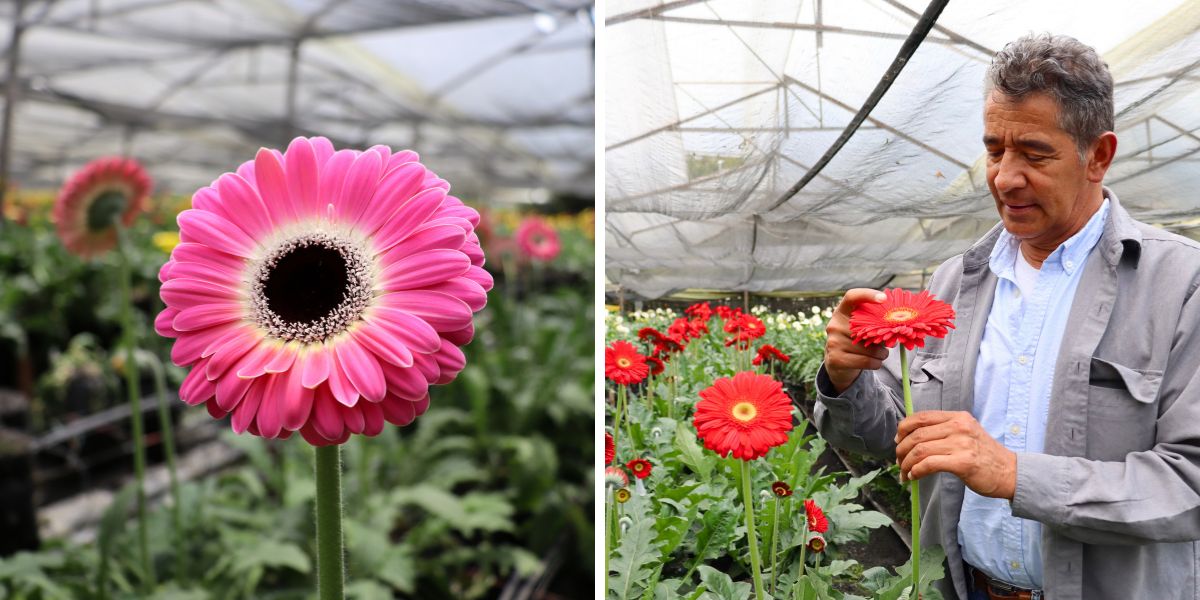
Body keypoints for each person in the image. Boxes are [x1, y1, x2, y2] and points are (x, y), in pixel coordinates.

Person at [814, 33, 1200, 600]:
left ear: (1099, 155)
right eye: (995, 149)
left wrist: (1016, 475)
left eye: (1035, 153)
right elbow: (888, 436)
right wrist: (846, 379)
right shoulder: (953, 282)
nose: (1004, 177)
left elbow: (1189, 483)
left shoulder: (1181, 284)